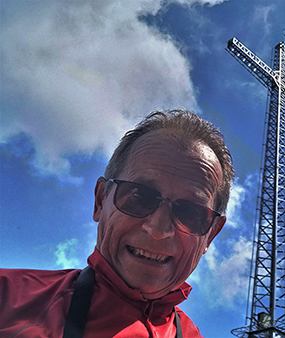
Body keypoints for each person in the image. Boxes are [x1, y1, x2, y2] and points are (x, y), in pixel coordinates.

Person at [0, 109, 235, 338]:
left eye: (190, 212)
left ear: (211, 235)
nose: (157, 230)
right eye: (139, 196)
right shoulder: (8, 297)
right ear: (101, 201)